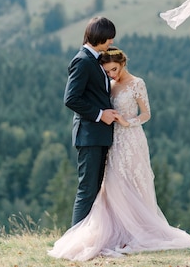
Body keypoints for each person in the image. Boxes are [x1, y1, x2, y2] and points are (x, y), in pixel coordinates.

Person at [49, 47, 190, 261]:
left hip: (132, 138)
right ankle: (118, 231)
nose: (112, 74)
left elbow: (147, 114)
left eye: (114, 69)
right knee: (113, 184)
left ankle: (137, 230)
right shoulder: (109, 86)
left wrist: (126, 122)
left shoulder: (137, 83)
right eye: (107, 71)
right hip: (113, 140)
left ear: (122, 64)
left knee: (134, 182)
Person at [63, 16, 119, 226]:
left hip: (99, 136)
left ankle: (90, 237)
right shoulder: (82, 60)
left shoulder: (95, 60)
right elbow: (71, 99)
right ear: (99, 37)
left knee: (95, 189)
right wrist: (100, 114)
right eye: (108, 39)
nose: (111, 43)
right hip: (88, 135)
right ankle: (75, 241)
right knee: (87, 191)